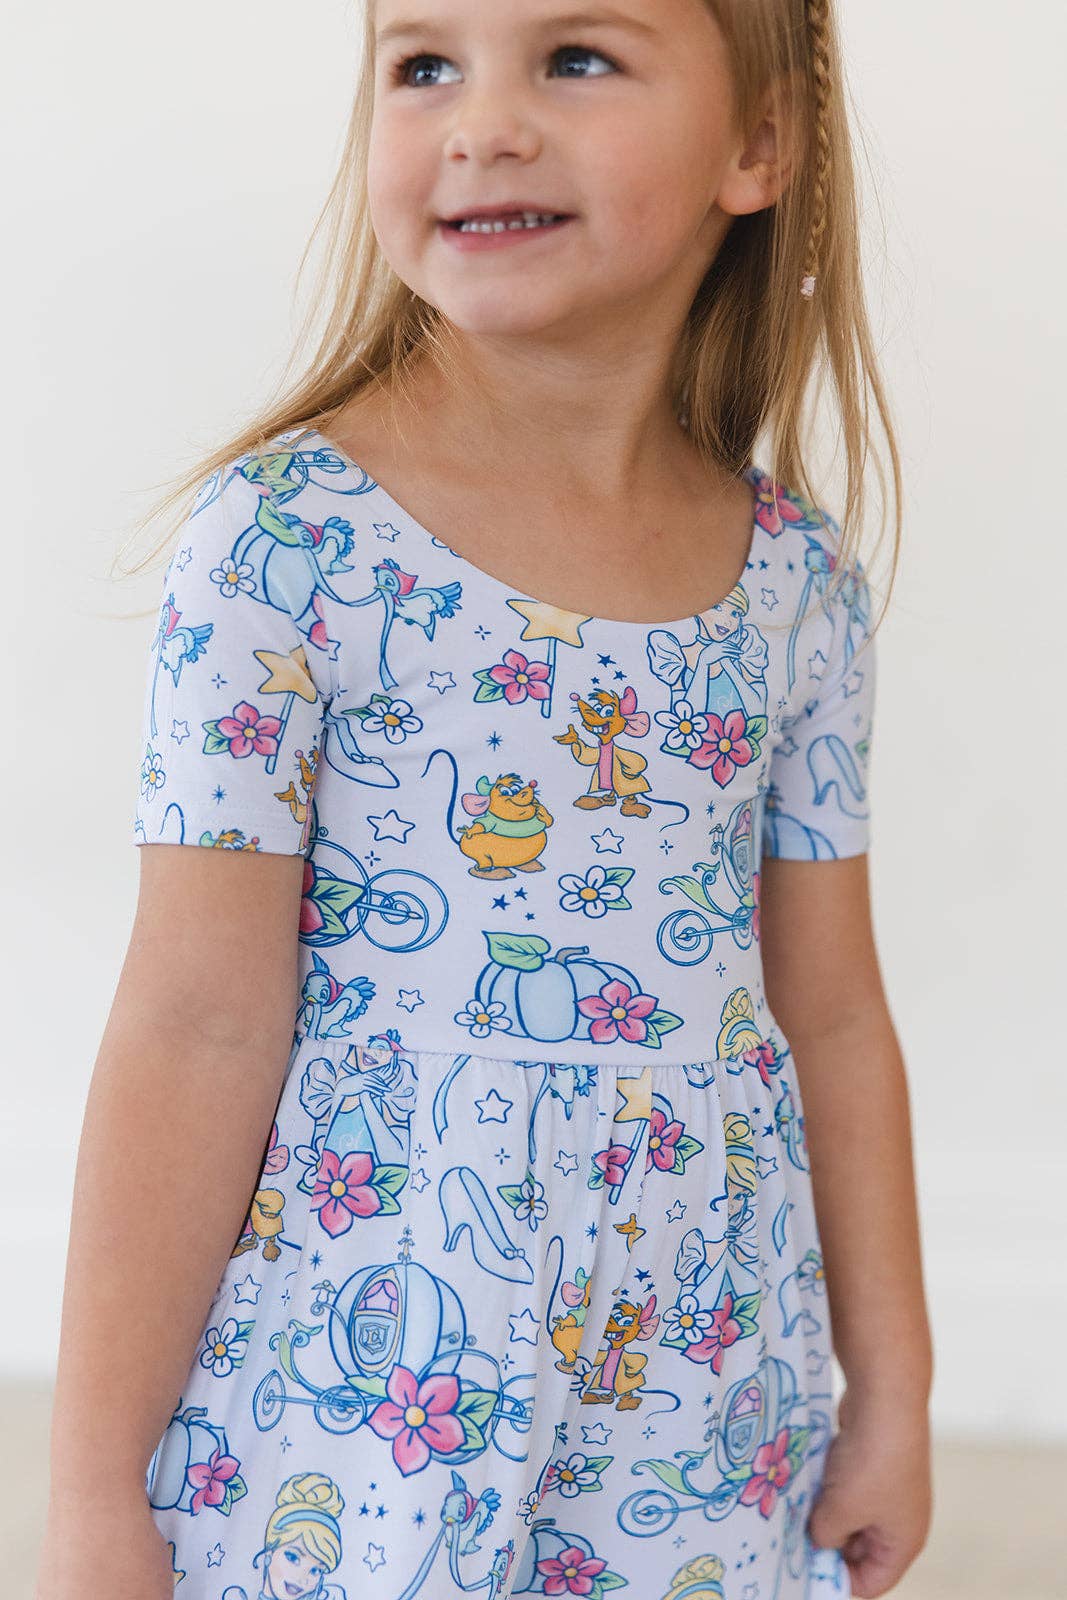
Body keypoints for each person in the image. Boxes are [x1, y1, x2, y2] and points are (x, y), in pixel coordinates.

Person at [36, 2, 934, 1598]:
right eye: (425, 65)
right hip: (368, 1386)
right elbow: (195, 1024)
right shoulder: (286, 544)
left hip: (699, 1388)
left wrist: (897, 1389)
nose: (484, 124)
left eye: (576, 59)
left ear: (758, 143)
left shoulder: (795, 584)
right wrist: (95, 1495)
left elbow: (835, 1014)